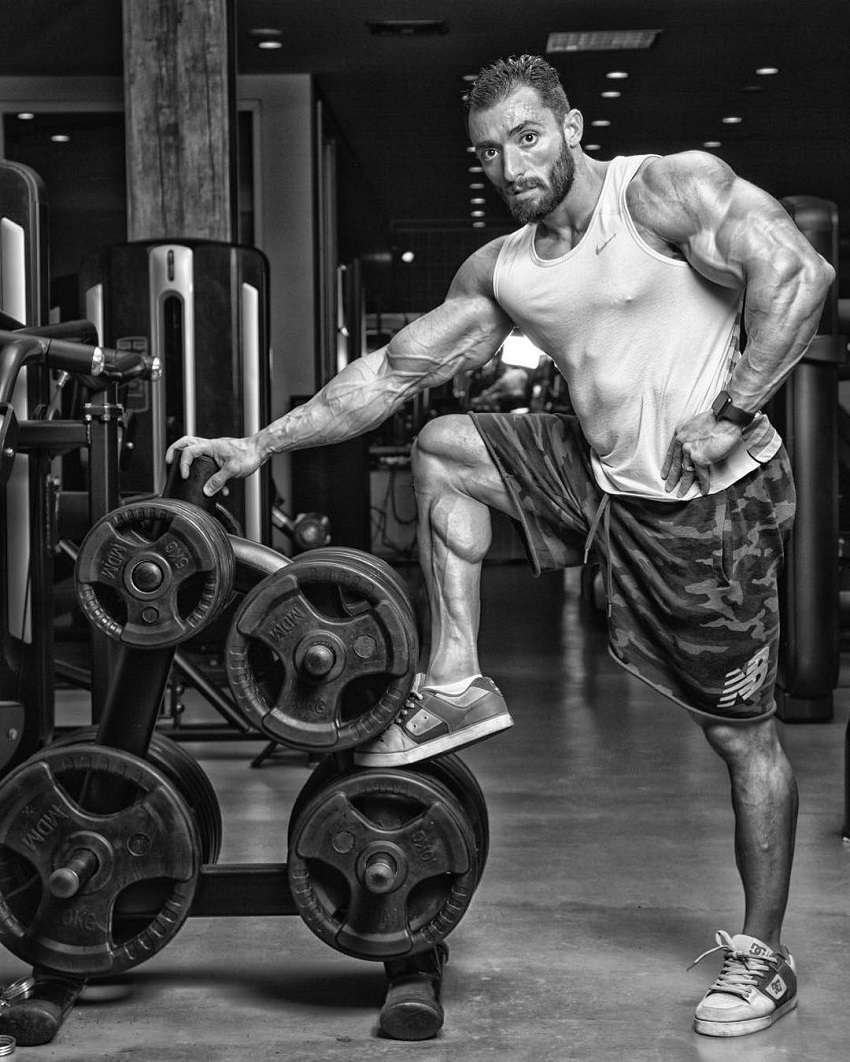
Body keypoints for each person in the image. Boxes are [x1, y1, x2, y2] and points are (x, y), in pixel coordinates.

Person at [167, 55, 834, 1038]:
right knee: (442, 446)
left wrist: (732, 412)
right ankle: (456, 682)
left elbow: (799, 274)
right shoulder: (506, 270)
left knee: (741, 736)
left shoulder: (664, 191)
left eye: (527, 137)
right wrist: (255, 443)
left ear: (568, 126)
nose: (511, 164)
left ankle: (762, 955)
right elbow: (389, 376)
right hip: (598, 477)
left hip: (710, 503)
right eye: (490, 150)